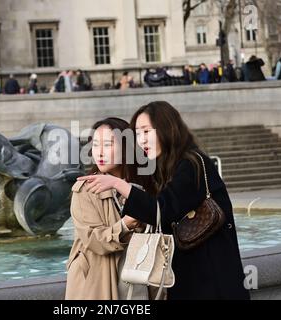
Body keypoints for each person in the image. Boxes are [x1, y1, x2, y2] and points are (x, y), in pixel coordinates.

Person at [78, 101, 251, 300]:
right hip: (193, 271)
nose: (141, 140)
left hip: (211, 273)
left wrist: (119, 185)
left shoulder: (191, 163)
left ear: (166, 128)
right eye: (137, 133)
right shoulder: (166, 167)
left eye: (146, 131)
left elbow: (163, 210)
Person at [65, 118, 145, 300]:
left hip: (138, 278)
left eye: (107, 144)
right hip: (95, 282)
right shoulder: (85, 189)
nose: (99, 152)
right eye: (95, 145)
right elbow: (93, 239)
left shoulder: (143, 187)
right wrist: (125, 225)